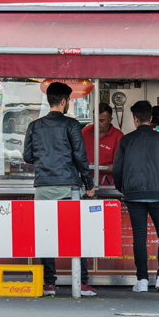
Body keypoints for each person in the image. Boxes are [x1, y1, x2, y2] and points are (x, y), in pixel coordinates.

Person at [23, 82, 97, 297]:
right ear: (64, 101)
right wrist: (89, 184)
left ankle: (49, 284)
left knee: (46, 235)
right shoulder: (72, 125)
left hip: (43, 186)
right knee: (76, 235)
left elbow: (27, 157)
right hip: (68, 187)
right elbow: (80, 157)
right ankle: (81, 283)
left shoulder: (34, 126)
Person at [112, 100, 159, 293]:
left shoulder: (126, 140)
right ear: (151, 118)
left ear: (135, 118)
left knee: (139, 237)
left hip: (134, 194)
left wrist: (123, 188)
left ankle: (141, 280)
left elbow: (118, 169)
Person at [82, 103, 124, 185]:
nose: (97, 123)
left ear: (110, 120)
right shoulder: (85, 132)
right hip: (86, 184)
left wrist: (95, 167)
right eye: (95, 120)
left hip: (109, 185)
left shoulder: (118, 136)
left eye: (101, 121)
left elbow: (118, 166)